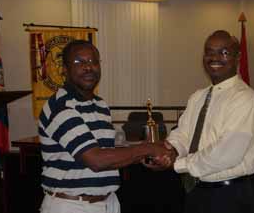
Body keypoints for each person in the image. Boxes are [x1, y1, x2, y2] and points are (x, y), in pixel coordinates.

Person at [38, 39, 170, 213]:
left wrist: (145, 158)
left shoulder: (100, 105)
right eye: (79, 62)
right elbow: (96, 160)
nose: (88, 67)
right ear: (64, 69)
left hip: (107, 203)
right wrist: (149, 149)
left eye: (93, 61)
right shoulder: (61, 106)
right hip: (71, 205)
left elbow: (109, 153)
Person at [148, 30, 254, 213]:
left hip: (229, 196)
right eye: (209, 52)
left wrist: (177, 164)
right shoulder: (198, 97)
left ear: (238, 57)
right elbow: (184, 134)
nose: (215, 57)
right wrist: (170, 150)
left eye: (224, 52)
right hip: (197, 191)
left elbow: (226, 153)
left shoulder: (245, 99)